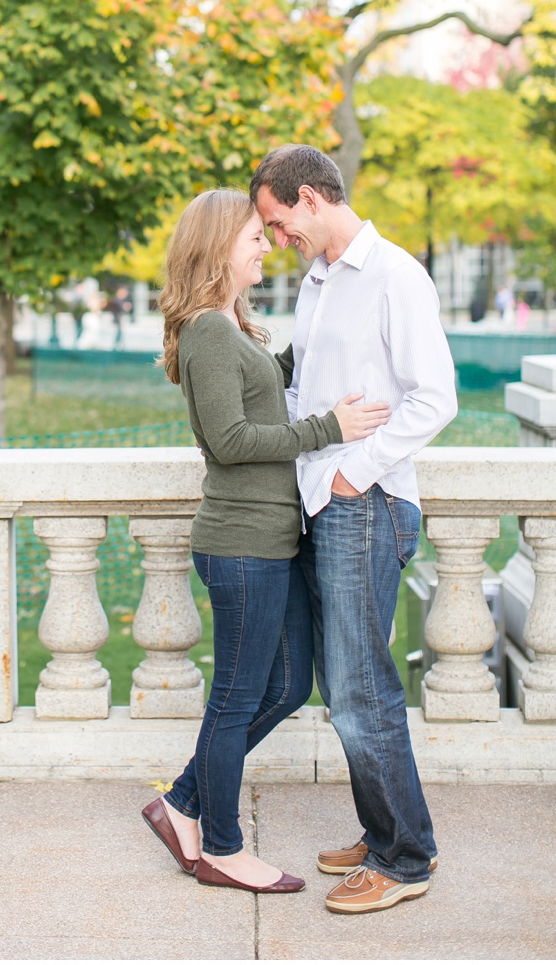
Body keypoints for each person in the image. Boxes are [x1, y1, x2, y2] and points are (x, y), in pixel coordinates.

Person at [140, 188, 390, 894]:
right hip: (241, 543)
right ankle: (220, 845)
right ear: (218, 245)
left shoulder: (231, 325)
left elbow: (281, 381)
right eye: (255, 234)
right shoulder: (208, 331)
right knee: (236, 696)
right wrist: (329, 430)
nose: (266, 243)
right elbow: (231, 439)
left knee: (286, 683)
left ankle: (184, 800)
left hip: (269, 541)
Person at [251, 144, 459, 915]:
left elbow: (436, 397)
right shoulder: (316, 282)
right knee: (344, 683)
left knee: (363, 688)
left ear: (309, 197)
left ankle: (406, 858)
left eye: (278, 221)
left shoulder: (395, 276)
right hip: (323, 501)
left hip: (363, 504)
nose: (277, 239)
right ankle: (383, 835)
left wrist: (356, 471)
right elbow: (310, 387)